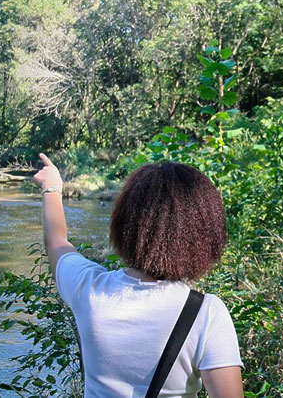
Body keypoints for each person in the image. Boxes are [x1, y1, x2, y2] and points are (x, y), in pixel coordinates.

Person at [34, 154, 244, 398]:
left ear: (125, 225)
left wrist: (52, 188)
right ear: (203, 236)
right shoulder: (206, 313)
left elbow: (56, 243)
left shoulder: (89, 289)